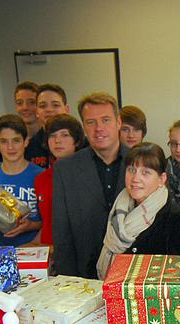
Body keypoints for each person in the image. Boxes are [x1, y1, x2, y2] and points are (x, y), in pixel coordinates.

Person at [97, 143, 180, 278]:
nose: (135, 179)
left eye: (145, 172)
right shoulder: (117, 211)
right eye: (131, 170)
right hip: (109, 292)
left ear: (161, 179)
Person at [53, 92, 129, 278]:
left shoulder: (141, 164)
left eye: (105, 120)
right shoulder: (65, 169)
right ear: (84, 127)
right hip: (84, 273)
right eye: (90, 122)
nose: (98, 128)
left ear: (118, 122)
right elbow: (62, 232)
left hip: (133, 271)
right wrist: (67, 282)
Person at [0, 114, 45, 246]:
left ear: (26, 141)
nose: (10, 147)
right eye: (4, 141)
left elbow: (51, 221)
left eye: (16, 140)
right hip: (3, 249)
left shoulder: (41, 175)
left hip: (35, 248)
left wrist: (31, 225)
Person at [35, 114, 85, 246]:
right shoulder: (41, 179)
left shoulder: (88, 175)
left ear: (77, 141)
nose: (57, 140)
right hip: (48, 253)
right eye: (52, 135)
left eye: (64, 135)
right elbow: (46, 223)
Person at [28, 83, 68, 167]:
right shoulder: (28, 148)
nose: (49, 110)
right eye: (43, 106)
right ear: (37, 112)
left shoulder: (82, 144)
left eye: (55, 105)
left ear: (66, 109)